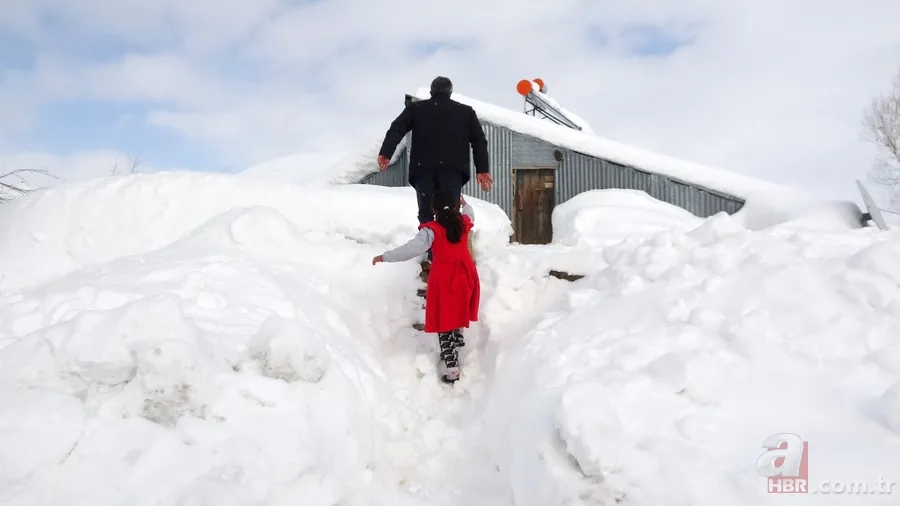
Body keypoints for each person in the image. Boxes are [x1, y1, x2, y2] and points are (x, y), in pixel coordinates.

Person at [376, 76, 493, 260]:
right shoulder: (465, 112)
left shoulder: (416, 109)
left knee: (426, 211)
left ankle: (433, 254)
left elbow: (397, 128)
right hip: (452, 171)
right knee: (450, 212)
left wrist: (386, 152)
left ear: (431, 92)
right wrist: (482, 169)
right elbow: (479, 141)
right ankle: (450, 253)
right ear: (450, 92)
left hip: (423, 170)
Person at [372, 190, 480, 383]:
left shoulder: (431, 230)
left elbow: (410, 249)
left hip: (444, 278)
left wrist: (385, 256)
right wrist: (464, 202)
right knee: (458, 308)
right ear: (456, 207)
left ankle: (452, 369)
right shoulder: (463, 223)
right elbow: (471, 212)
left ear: (433, 209)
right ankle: (458, 340)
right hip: (465, 274)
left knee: (443, 321)